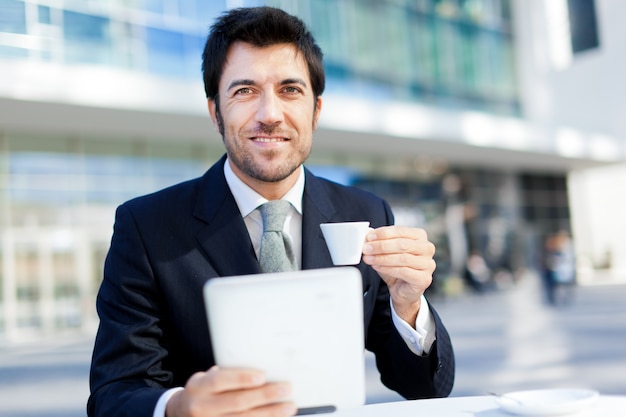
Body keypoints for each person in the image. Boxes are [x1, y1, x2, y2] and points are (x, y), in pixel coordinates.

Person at [88, 6, 455, 417]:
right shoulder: (147, 227)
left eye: (290, 90)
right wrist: (177, 407)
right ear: (215, 113)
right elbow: (114, 393)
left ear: (316, 111)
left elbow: (425, 388)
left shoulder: (366, 211)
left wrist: (408, 305)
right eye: (244, 91)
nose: (269, 115)